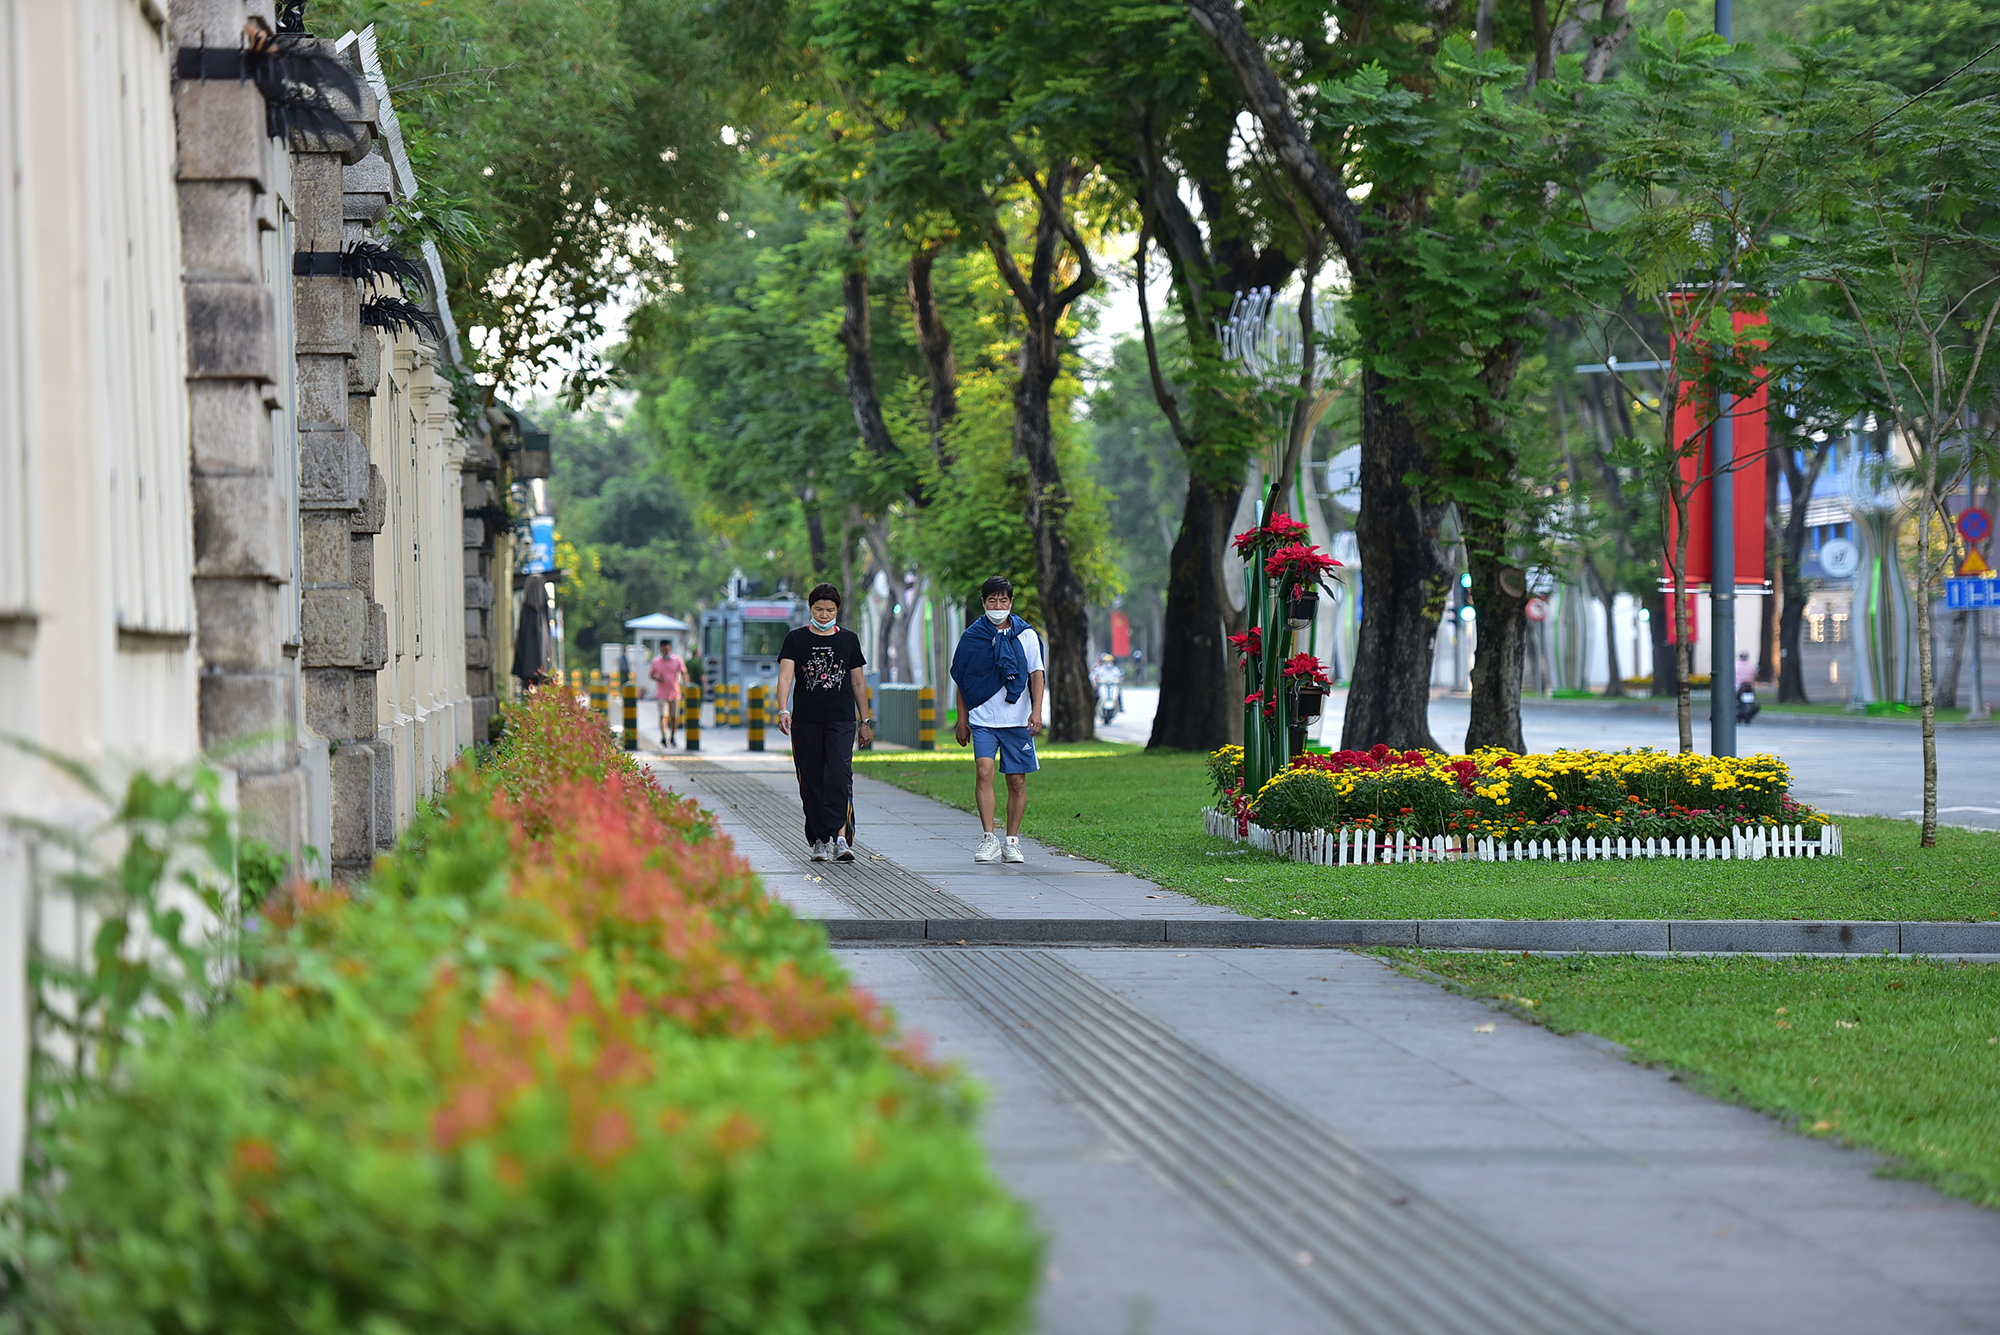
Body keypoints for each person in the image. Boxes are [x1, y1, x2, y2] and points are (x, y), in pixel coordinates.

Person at [775, 584, 873, 862]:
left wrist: (864, 720)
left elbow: (857, 681)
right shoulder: (795, 639)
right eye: (819, 609)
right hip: (806, 721)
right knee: (811, 778)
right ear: (810, 608)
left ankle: (841, 837)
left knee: (839, 776)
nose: (824, 614)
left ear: (838, 610)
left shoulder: (849, 640)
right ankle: (819, 839)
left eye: (830, 610)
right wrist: (783, 709)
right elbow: (785, 677)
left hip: (841, 720)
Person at [950, 576, 1045, 864]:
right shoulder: (972, 637)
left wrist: (1037, 710)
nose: (998, 605)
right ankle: (988, 837)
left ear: (1011, 602)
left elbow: (1036, 674)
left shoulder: (1025, 636)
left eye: (1003, 600)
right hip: (983, 718)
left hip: (1016, 720)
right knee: (984, 771)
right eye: (992, 600)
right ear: (983, 602)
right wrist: (962, 720)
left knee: (1016, 781)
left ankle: (1012, 841)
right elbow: (963, 680)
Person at [649, 638, 688, 748]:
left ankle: (673, 736)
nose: (666, 650)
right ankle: (663, 736)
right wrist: (657, 677)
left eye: (667, 648)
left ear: (670, 648)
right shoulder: (656, 661)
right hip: (661, 693)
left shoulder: (677, 660)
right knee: (663, 715)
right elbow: (651, 674)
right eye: (664, 648)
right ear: (661, 649)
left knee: (674, 717)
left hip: (675, 693)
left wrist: (687, 685)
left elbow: (684, 673)